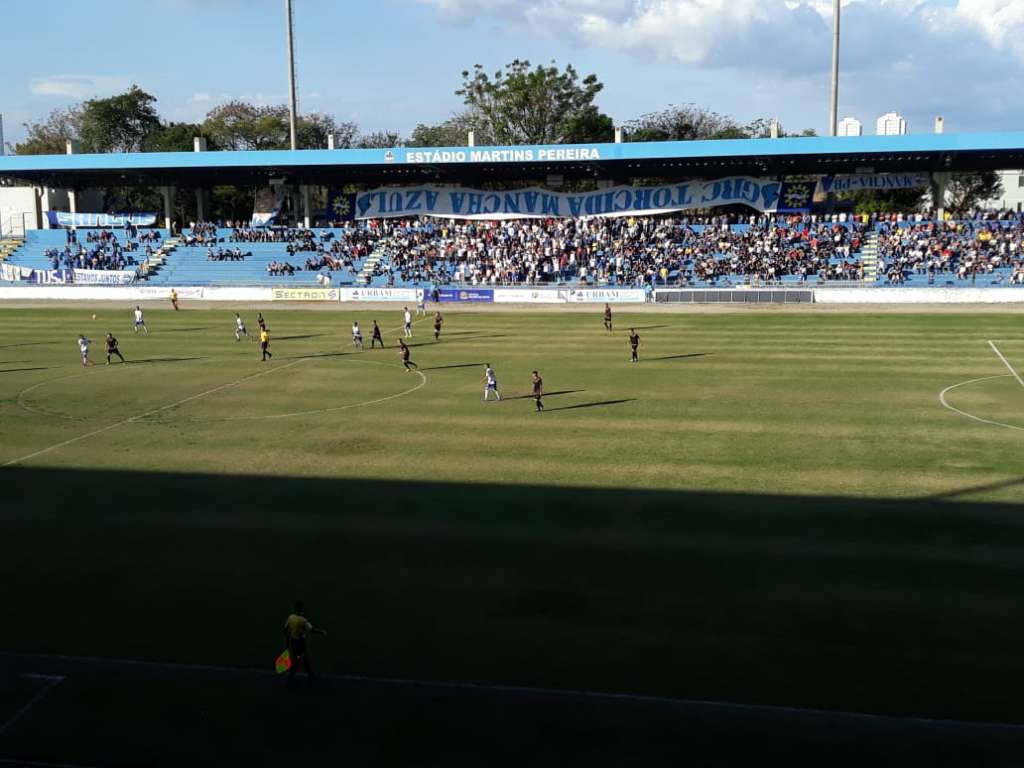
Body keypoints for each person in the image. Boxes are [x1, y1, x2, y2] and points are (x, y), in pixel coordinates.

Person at [283, 600, 327, 686]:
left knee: (304, 658)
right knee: (298, 660)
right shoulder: (302, 620)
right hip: (300, 643)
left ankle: (310, 674)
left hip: (293, 641)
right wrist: (322, 632)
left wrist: (287, 642)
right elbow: (312, 630)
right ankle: (290, 679)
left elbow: (285, 629)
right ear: (301, 609)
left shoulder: (291, 617)